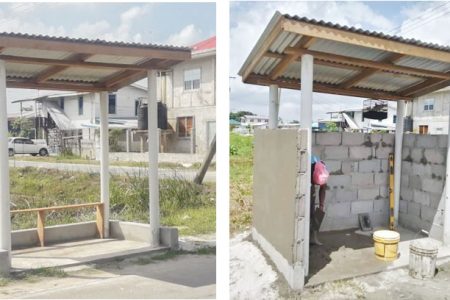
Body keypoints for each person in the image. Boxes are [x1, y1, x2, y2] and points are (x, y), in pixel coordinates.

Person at [310, 155, 327, 245]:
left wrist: (321, 205)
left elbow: (323, 189)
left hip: (311, 184)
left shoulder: (323, 171)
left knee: (314, 215)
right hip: (306, 184)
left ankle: (313, 238)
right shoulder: (308, 167)